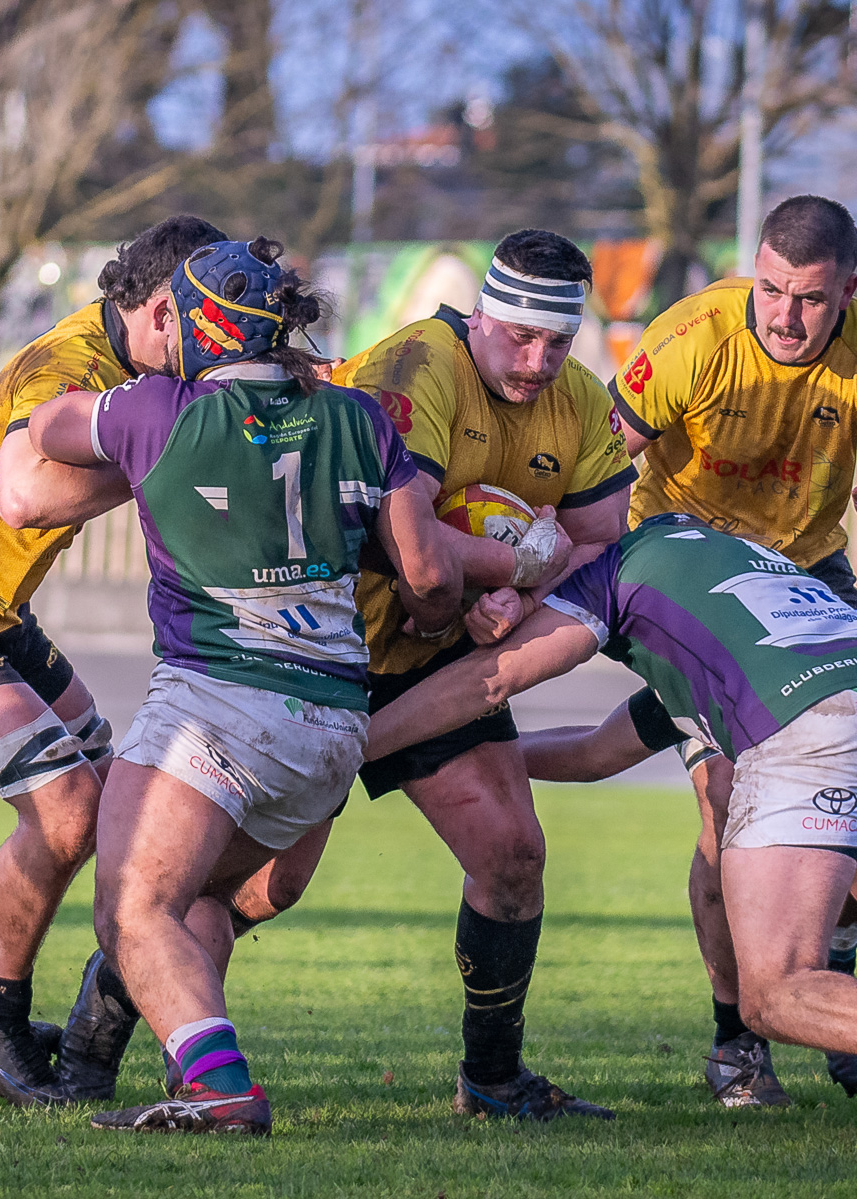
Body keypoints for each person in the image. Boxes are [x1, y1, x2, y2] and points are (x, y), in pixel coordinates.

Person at [364, 515, 857, 1150]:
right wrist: (484, 766)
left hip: (812, 718)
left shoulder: (606, 574)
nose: (500, 606)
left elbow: (489, 681)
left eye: (509, 586)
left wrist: (356, 745)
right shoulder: (695, 556)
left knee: (775, 993)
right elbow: (598, 751)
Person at [28, 238, 459, 1134]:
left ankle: (221, 1089)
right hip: (333, 727)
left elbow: (49, 428)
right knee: (199, 901)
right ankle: (172, 1071)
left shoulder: (159, 409)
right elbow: (430, 578)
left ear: (199, 328)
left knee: (131, 907)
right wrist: (442, 609)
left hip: (218, 707)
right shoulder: (361, 416)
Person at [0, 216, 231, 1106]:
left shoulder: (140, 365)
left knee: (101, 779)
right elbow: (24, 496)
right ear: (159, 309)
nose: (213, 341)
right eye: (202, 318)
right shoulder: (66, 366)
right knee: (66, 815)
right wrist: (157, 463)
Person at [608, 195, 857, 1103]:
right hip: (693, 583)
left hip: (806, 577)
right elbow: (596, 468)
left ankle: (831, 980)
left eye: (809, 298)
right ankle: (737, 1040)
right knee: (727, 807)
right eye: (771, 289)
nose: (785, 316)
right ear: (752, 271)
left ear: (848, 291)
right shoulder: (693, 337)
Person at [324, 230, 633, 1121]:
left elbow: (601, 535)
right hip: (327, 647)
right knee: (260, 881)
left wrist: (519, 595)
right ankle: (98, 1040)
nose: (537, 362)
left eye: (558, 342)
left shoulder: (579, 399)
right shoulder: (418, 362)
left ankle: (493, 1081)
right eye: (521, 337)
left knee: (512, 855)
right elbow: (407, 539)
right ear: (482, 313)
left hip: (435, 657)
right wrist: (512, 571)